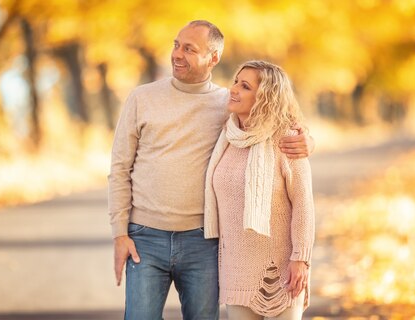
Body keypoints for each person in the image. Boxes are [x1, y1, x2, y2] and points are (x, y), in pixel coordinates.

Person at [108, 21, 314, 320]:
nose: (177, 54)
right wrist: (119, 233)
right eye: (176, 45)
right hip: (145, 238)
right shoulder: (142, 98)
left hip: (202, 240)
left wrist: (307, 139)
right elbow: (119, 167)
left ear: (213, 58)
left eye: (189, 49)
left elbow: (274, 120)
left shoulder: (227, 104)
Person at [204, 60, 315, 320]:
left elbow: (303, 203)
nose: (234, 89)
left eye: (245, 86)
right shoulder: (226, 136)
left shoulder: (286, 140)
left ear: (265, 97)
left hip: (281, 269)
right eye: (235, 82)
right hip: (236, 267)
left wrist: (300, 258)